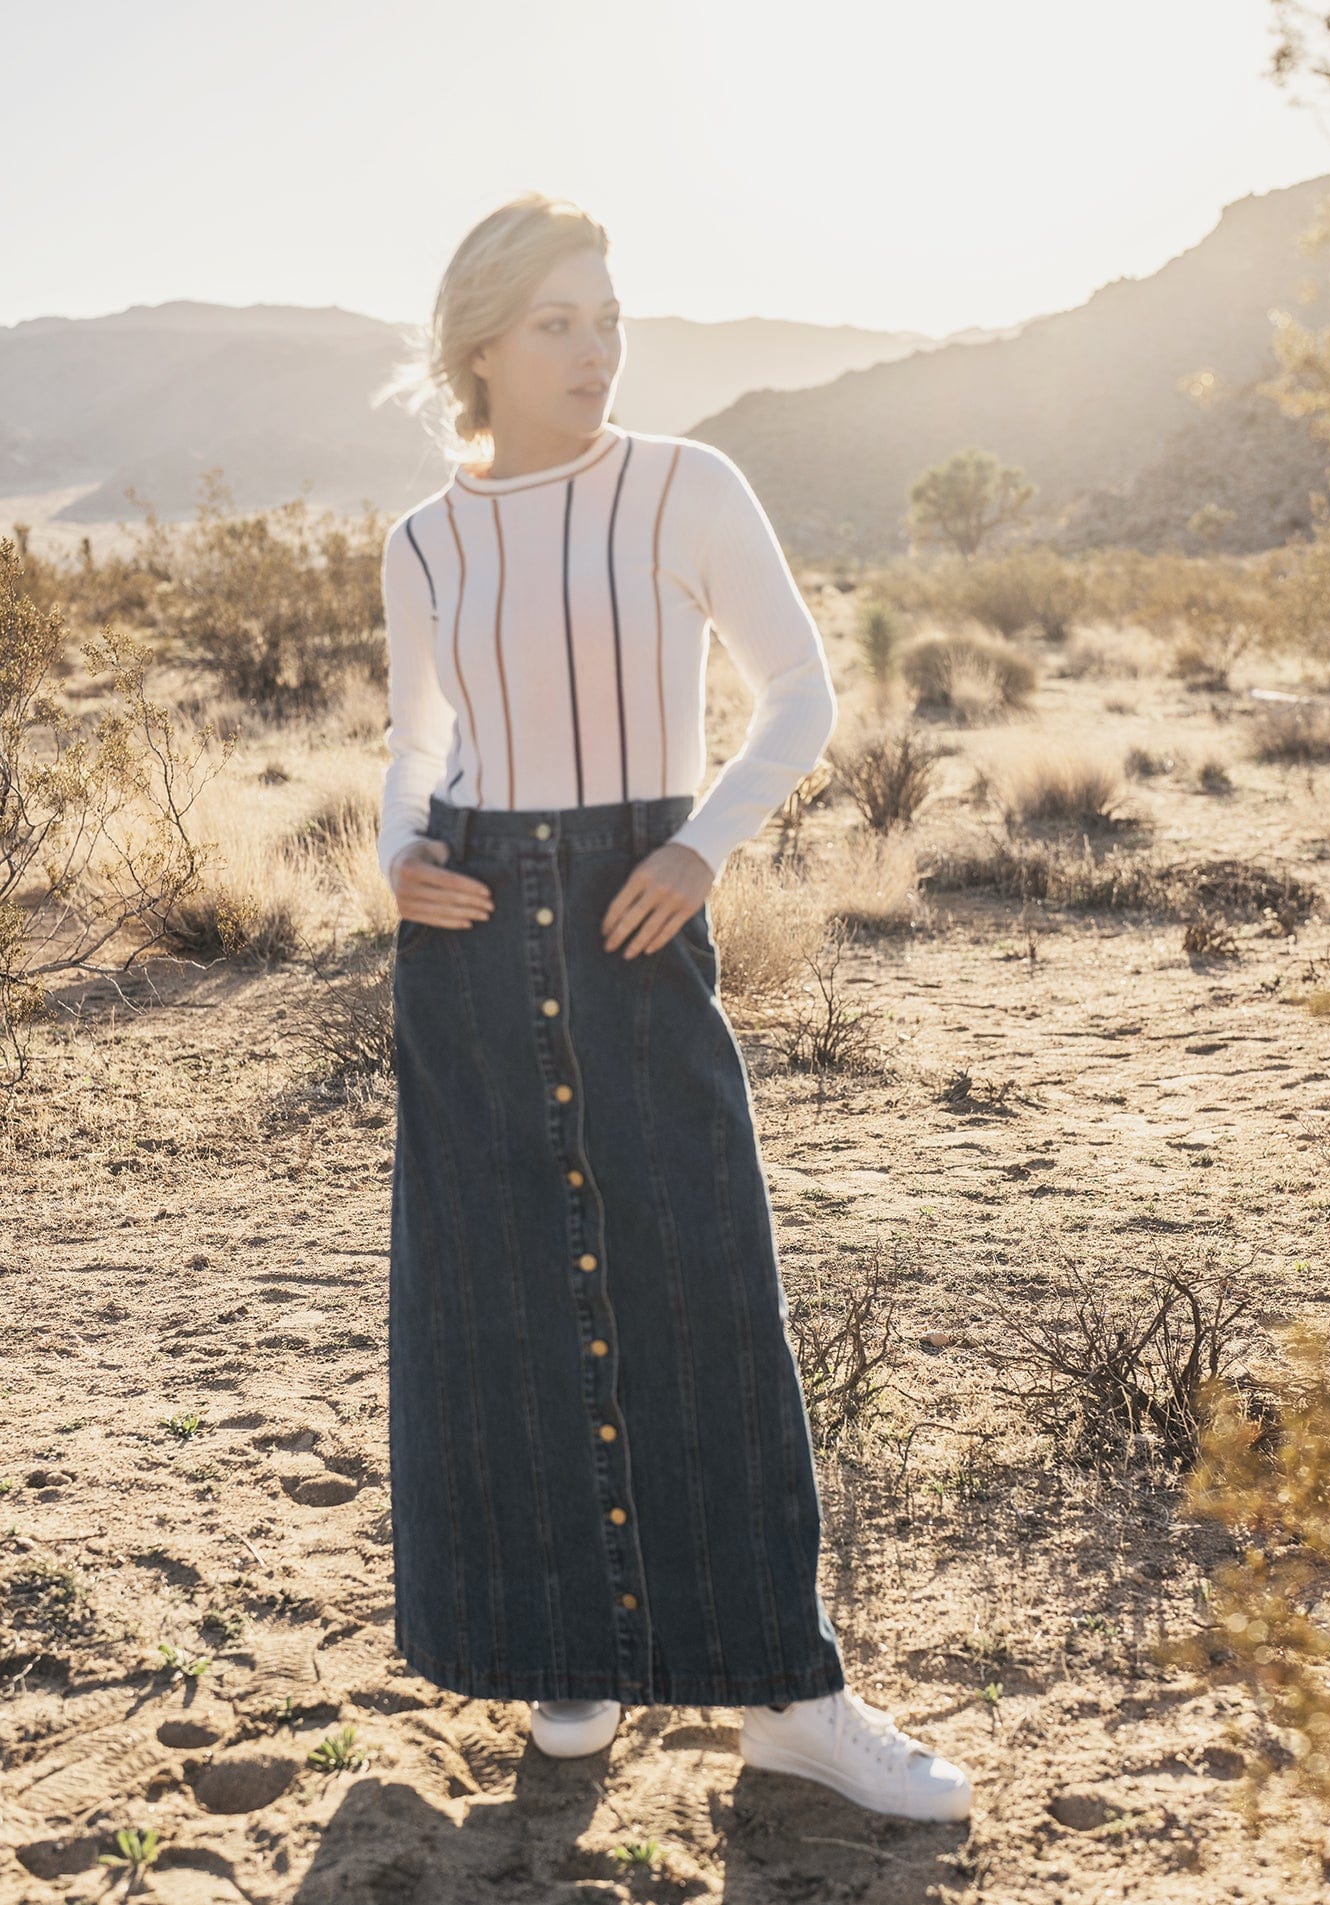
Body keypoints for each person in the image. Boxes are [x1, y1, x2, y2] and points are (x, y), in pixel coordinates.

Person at [377, 190, 972, 1826]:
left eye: (607, 319)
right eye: (558, 321)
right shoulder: (423, 539)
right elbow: (417, 741)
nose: (594, 349)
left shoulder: (684, 486)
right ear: (481, 344)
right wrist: (394, 858)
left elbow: (800, 690)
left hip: (641, 910)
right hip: (474, 934)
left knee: (704, 1279)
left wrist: (704, 848)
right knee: (495, 1292)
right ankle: (561, 1652)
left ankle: (792, 1691)